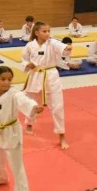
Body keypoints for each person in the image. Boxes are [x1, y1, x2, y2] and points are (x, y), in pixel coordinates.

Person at [21, 21, 70, 150]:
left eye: (49, 31)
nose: (47, 33)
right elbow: (24, 58)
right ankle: (29, 124)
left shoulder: (52, 43)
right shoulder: (30, 45)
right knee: (32, 103)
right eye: (44, 31)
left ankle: (61, 135)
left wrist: (67, 48)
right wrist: (27, 64)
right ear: (37, 33)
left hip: (51, 76)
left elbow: (62, 48)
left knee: (57, 106)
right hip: (35, 75)